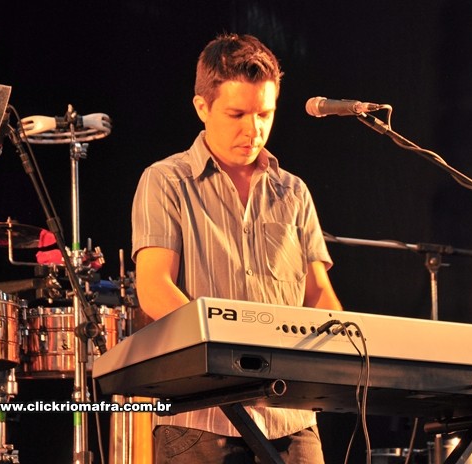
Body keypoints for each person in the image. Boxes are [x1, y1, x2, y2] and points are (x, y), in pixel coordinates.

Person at [131, 33, 342, 463]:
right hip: (199, 420)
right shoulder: (165, 181)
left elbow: (319, 295)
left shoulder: (293, 192)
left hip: (290, 418)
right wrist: (228, 357)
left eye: (265, 114)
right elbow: (154, 289)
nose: (254, 130)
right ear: (202, 107)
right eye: (237, 114)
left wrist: (341, 352)